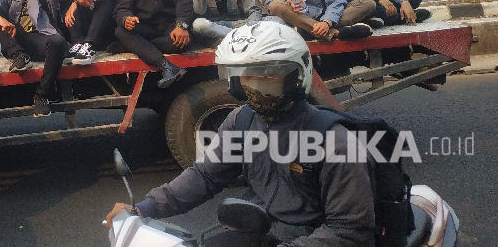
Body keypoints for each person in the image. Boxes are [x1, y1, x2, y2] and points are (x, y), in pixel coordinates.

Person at [106, 21, 376, 247]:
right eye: (244, 78)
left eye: (266, 78)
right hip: (261, 228)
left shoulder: (335, 140)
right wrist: (145, 208)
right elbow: (205, 175)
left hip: (310, 238)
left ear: (296, 76)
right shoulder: (243, 119)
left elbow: (348, 231)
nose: (254, 89)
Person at [113, 0, 192, 89]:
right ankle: (166, 66)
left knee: (181, 42)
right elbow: (121, 9)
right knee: (120, 30)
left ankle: (137, 47)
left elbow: (185, 2)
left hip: (170, 27)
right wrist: (126, 19)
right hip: (145, 28)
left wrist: (182, 25)